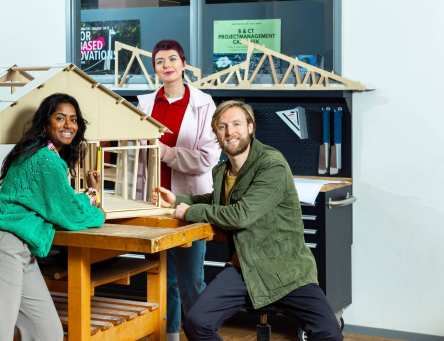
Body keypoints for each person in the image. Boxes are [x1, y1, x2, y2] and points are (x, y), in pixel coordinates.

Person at [155, 100, 343, 341]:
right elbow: (216, 200)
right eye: (221, 126)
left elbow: (241, 215)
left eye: (236, 124)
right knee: (197, 322)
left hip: (285, 268)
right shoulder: (222, 171)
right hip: (245, 267)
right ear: (216, 133)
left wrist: (189, 212)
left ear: (251, 127)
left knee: (329, 333)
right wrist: (176, 200)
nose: (229, 132)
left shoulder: (271, 164)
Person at [0, 93, 105, 341]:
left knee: (47, 333)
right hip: (2, 248)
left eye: (73, 120)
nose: (69, 125)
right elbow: (70, 214)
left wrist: (90, 193)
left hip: (20, 252)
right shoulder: (45, 160)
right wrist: (97, 209)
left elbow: (63, 201)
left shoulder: (46, 157)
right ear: (46, 123)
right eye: (60, 118)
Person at [136, 39, 221, 340]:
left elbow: (207, 158)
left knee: (191, 280)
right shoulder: (145, 104)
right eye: (160, 62)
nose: (167, 65)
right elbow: (137, 153)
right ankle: (170, 335)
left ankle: (201, 335)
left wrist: (164, 152)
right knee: (164, 279)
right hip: (154, 202)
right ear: (155, 69)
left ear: (183, 64)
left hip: (188, 204)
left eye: (172, 59)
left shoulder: (203, 104)